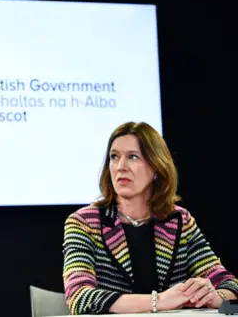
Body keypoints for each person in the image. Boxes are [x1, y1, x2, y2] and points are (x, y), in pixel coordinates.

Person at [62, 121, 238, 315]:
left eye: (133, 157)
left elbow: (229, 284)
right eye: (114, 157)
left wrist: (216, 298)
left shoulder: (179, 220)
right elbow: (79, 297)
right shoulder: (84, 223)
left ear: (156, 167)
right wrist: (159, 301)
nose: (121, 167)